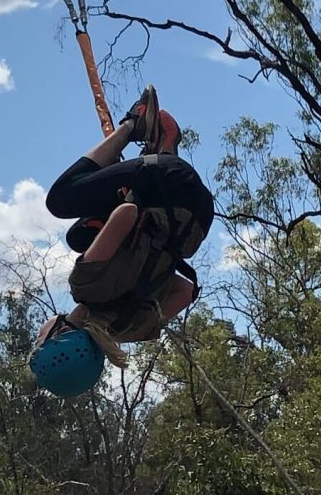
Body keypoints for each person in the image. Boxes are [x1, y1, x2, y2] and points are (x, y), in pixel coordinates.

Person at [29, 85, 214, 397]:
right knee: (60, 200)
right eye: (40, 338)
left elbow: (185, 291)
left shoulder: (132, 329)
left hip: (197, 216)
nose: (39, 332)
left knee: (80, 235)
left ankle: (164, 146)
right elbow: (127, 213)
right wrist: (121, 199)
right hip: (168, 180)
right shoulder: (85, 286)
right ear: (59, 334)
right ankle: (135, 124)